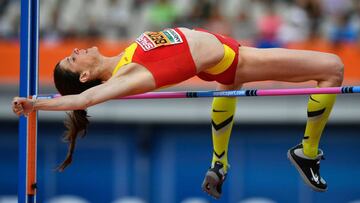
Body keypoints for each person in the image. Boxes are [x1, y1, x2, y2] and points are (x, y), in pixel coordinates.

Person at [12, 27, 343, 199]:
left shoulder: (126, 57)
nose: (74, 51)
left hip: (224, 59)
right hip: (238, 58)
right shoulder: (128, 76)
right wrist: (37, 104)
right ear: (84, 77)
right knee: (333, 68)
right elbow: (87, 100)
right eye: (71, 60)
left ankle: (219, 162)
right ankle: (307, 152)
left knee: (229, 86)